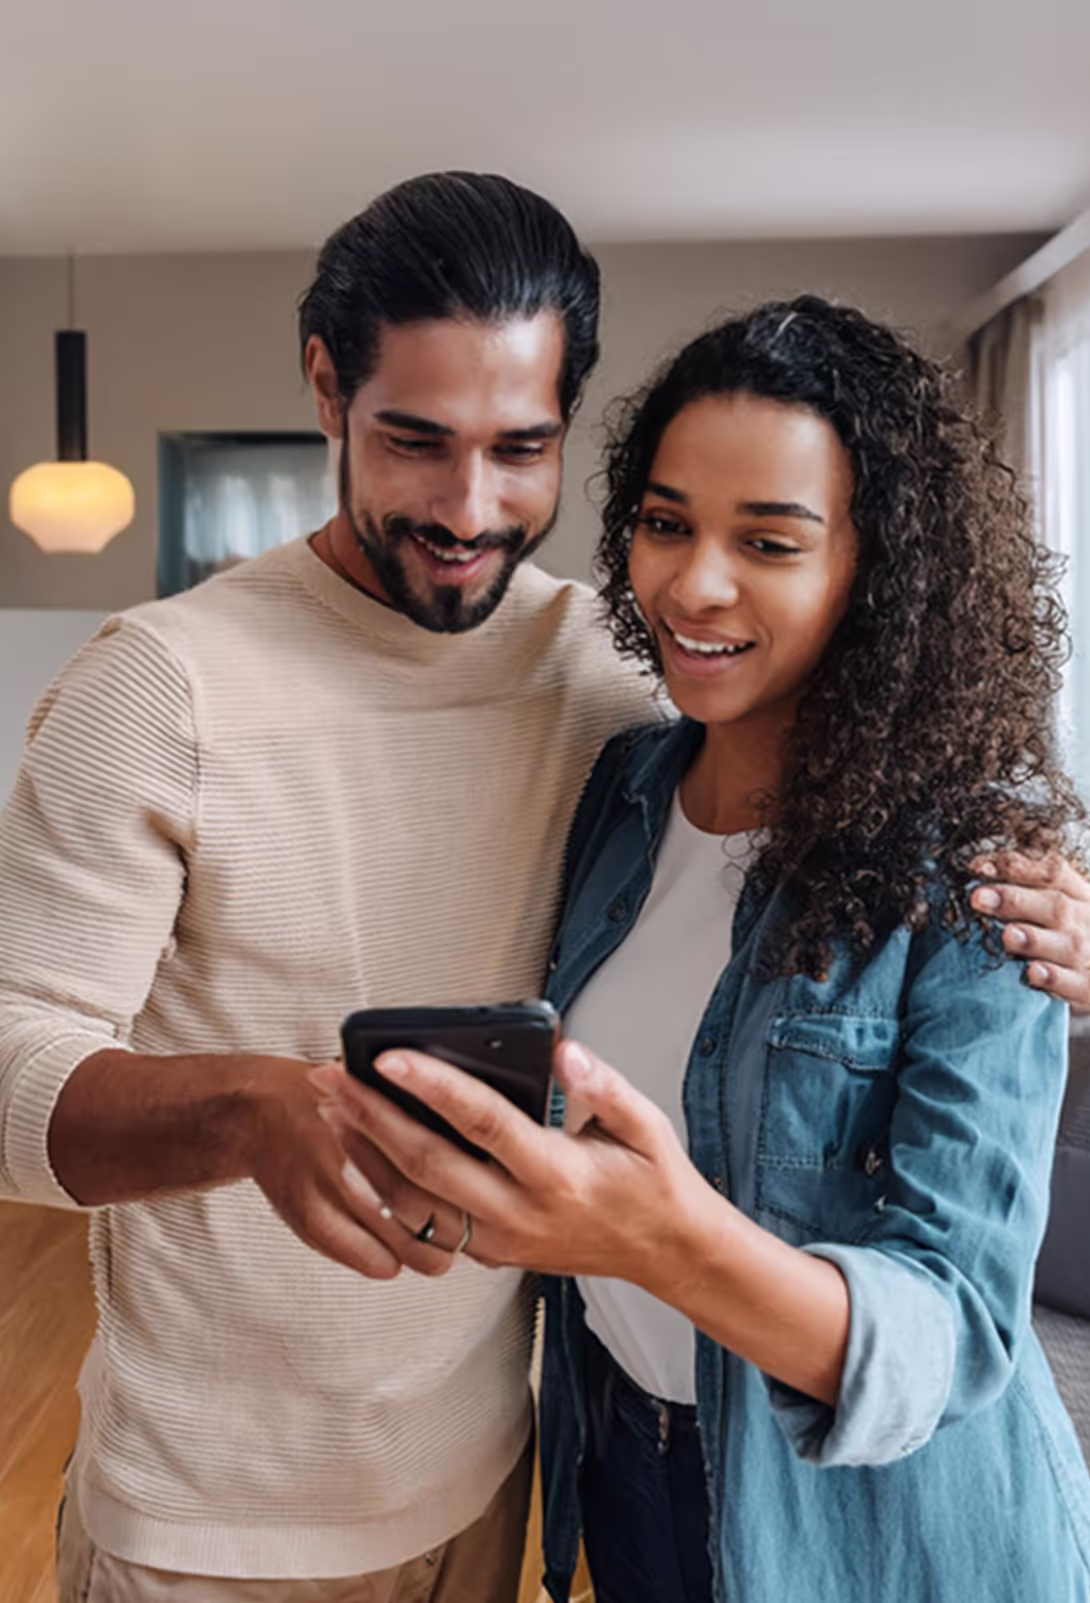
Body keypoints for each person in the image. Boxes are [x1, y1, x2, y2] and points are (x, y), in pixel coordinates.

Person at [314, 297, 1090, 1602]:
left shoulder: (974, 872)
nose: (692, 584)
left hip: (881, 1541)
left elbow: (954, 1333)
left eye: (768, 540)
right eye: (665, 523)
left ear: (875, 570)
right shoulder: (621, 790)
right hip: (629, 1475)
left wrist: (659, 1241)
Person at [0, 173, 656, 1603]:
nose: (469, 509)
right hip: (202, 1529)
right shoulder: (159, 682)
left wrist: (1039, 889)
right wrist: (257, 1108)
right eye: (414, 441)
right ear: (323, 384)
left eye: (520, 450)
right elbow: (9, 1073)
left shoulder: (609, 677)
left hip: (487, 1485)